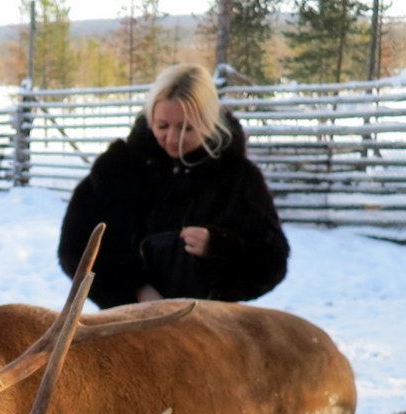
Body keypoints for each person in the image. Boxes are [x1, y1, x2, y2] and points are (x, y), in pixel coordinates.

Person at [57, 61, 289, 308]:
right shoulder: (116, 171)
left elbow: (271, 262)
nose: (172, 139)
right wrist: (137, 290)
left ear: (208, 123)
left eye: (187, 128)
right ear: (150, 118)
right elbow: (75, 250)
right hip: (126, 323)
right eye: (162, 126)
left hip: (204, 326)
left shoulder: (236, 178)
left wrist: (218, 247)